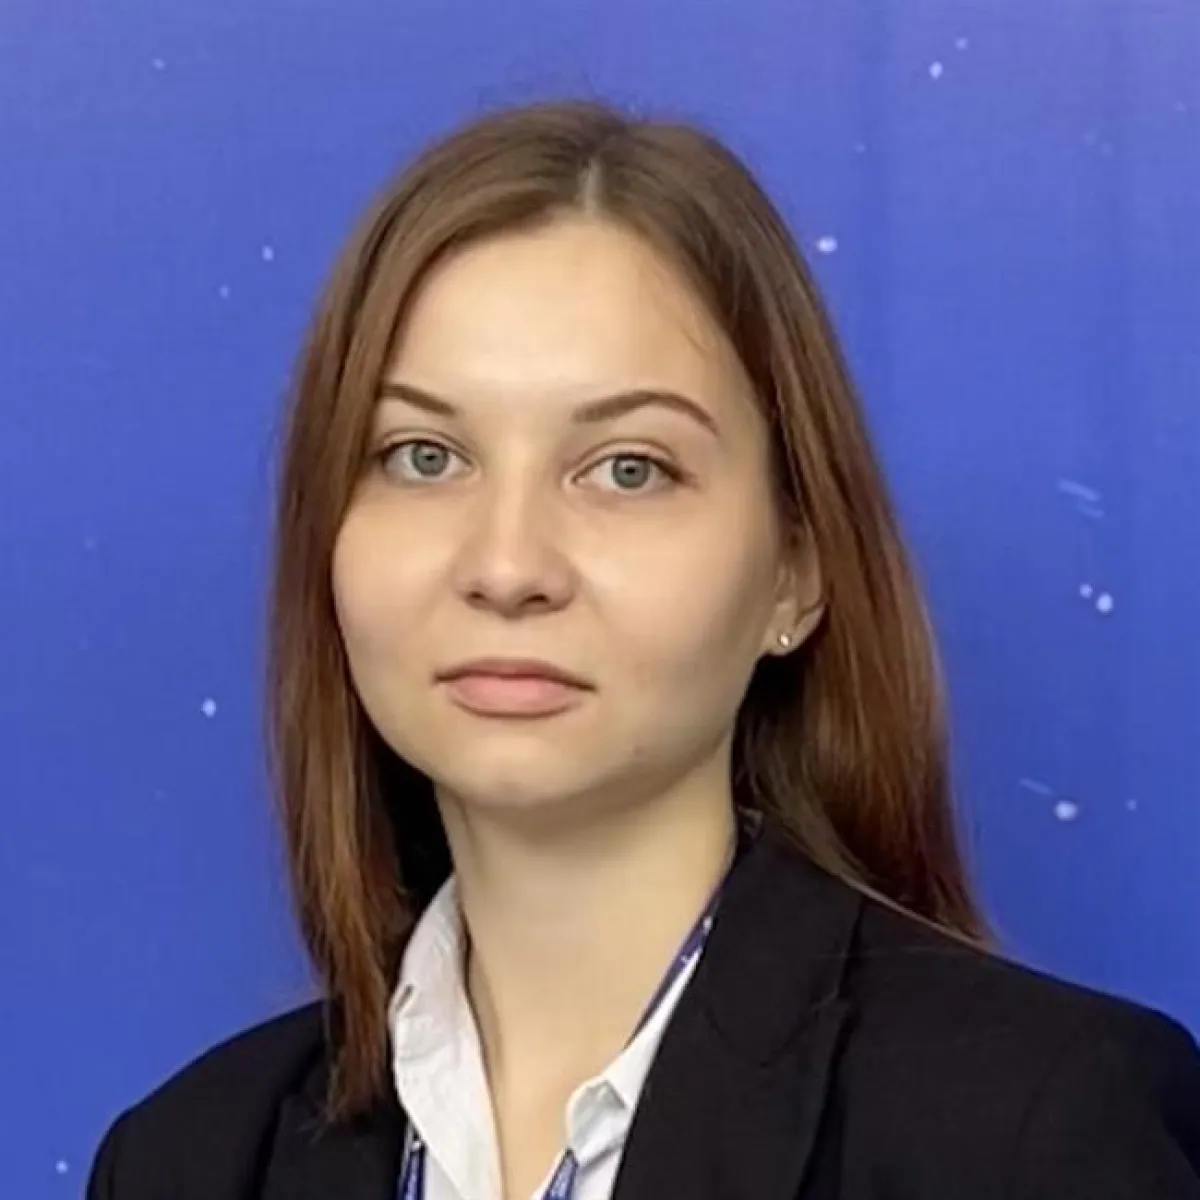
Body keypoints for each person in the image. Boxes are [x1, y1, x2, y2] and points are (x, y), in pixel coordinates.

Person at [87, 98, 1200, 1200]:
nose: (507, 565)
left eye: (629, 468)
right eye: (425, 456)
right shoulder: (185, 1162)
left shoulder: (1033, 1133)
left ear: (796, 572)